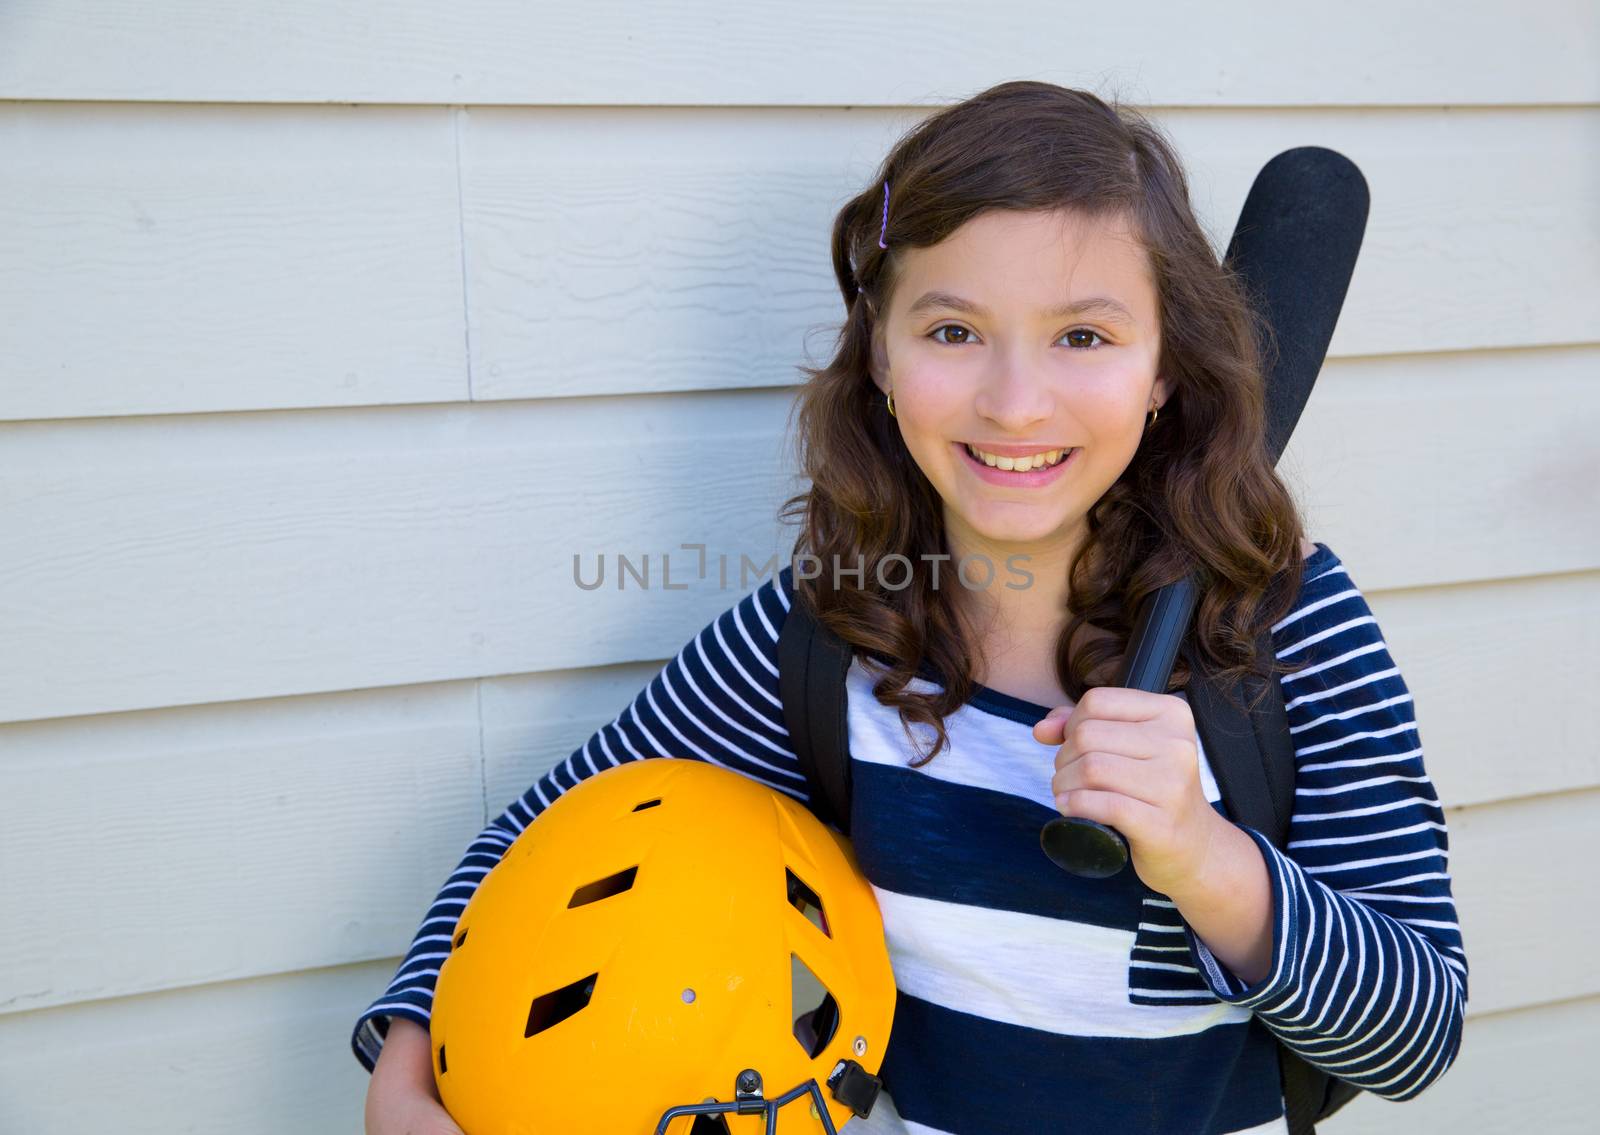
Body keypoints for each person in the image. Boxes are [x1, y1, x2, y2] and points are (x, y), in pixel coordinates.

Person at [355, 80, 1467, 1134]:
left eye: (1083, 335)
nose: (1015, 400)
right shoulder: (830, 633)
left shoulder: (1280, 626)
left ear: (1164, 369)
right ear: (880, 357)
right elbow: (542, 849)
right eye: (952, 331)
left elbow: (1414, 1035)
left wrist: (1200, 856)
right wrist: (409, 1073)